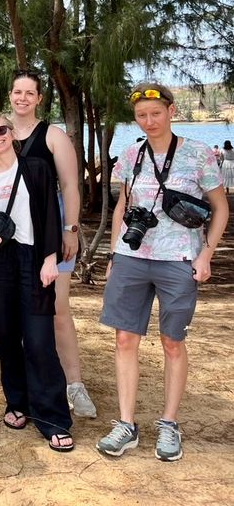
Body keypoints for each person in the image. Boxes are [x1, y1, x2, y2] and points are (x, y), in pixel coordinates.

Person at [96, 83, 227, 462]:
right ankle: (125, 423)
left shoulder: (199, 154)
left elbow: (219, 208)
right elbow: (124, 203)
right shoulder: (130, 154)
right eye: (141, 116)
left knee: (172, 342)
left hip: (179, 260)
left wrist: (206, 255)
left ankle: (169, 424)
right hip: (133, 257)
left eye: (156, 113)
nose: (149, 121)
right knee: (124, 340)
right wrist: (115, 252)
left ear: (171, 111)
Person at [0, 114, 74, 453]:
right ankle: (17, 402)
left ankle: (53, 417)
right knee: (6, 336)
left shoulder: (36, 169)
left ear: (11, 133)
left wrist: (49, 258)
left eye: (1, 130)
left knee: (40, 340)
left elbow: (49, 214)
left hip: (33, 258)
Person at [5, 69, 96, 419]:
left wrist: (70, 229)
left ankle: (74, 383)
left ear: (40, 98)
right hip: (11, 237)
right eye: (17, 92)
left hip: (49, 231)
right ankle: (30, 382)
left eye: (30, 93)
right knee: (17, 313)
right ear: (10, 94)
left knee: (57, 309)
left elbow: (71, 186)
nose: (23, 98)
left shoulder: (53, 136)